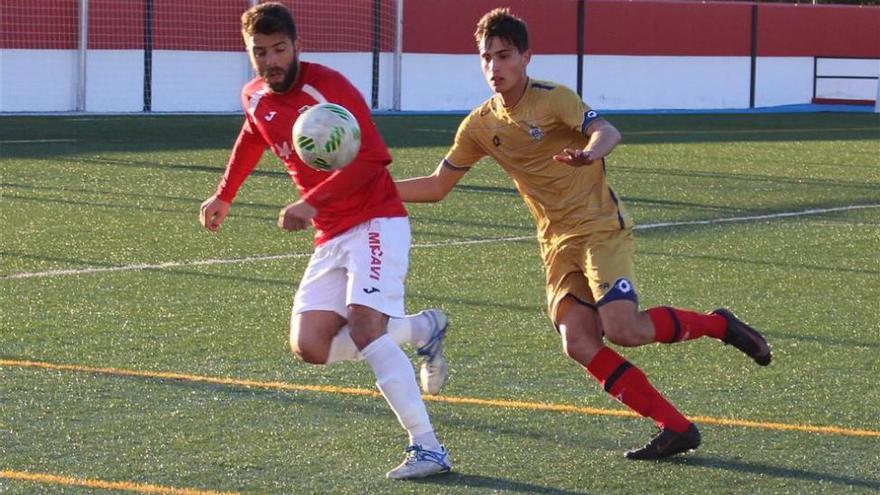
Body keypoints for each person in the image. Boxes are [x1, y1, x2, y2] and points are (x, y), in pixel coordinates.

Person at [395, 7, 772, 460]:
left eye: (504, 55)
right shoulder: (480, 125)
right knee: (577, 341)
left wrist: (590, 154)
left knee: (624, 329)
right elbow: (437, 186)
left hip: (598, 228)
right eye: (486, 57)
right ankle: (675, 427)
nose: (495, 67)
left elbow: (607, 130)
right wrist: (372, 192)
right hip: (555, 243)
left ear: (526, 57)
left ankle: (719, 325)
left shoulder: (553, 99)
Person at [198, 2, 451, 479]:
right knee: (310, 346)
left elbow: (373, 157)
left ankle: (429, 447)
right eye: (261, 52)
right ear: (249, 53)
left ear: (297, 46)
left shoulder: (327, 88)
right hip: (331, 233)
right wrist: (224, 194)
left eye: (279, 49)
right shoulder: (254, 95)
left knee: (365, 326)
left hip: (377, 221)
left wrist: (310, 201)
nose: (271, 60)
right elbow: (253, 135)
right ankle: (420, 330)